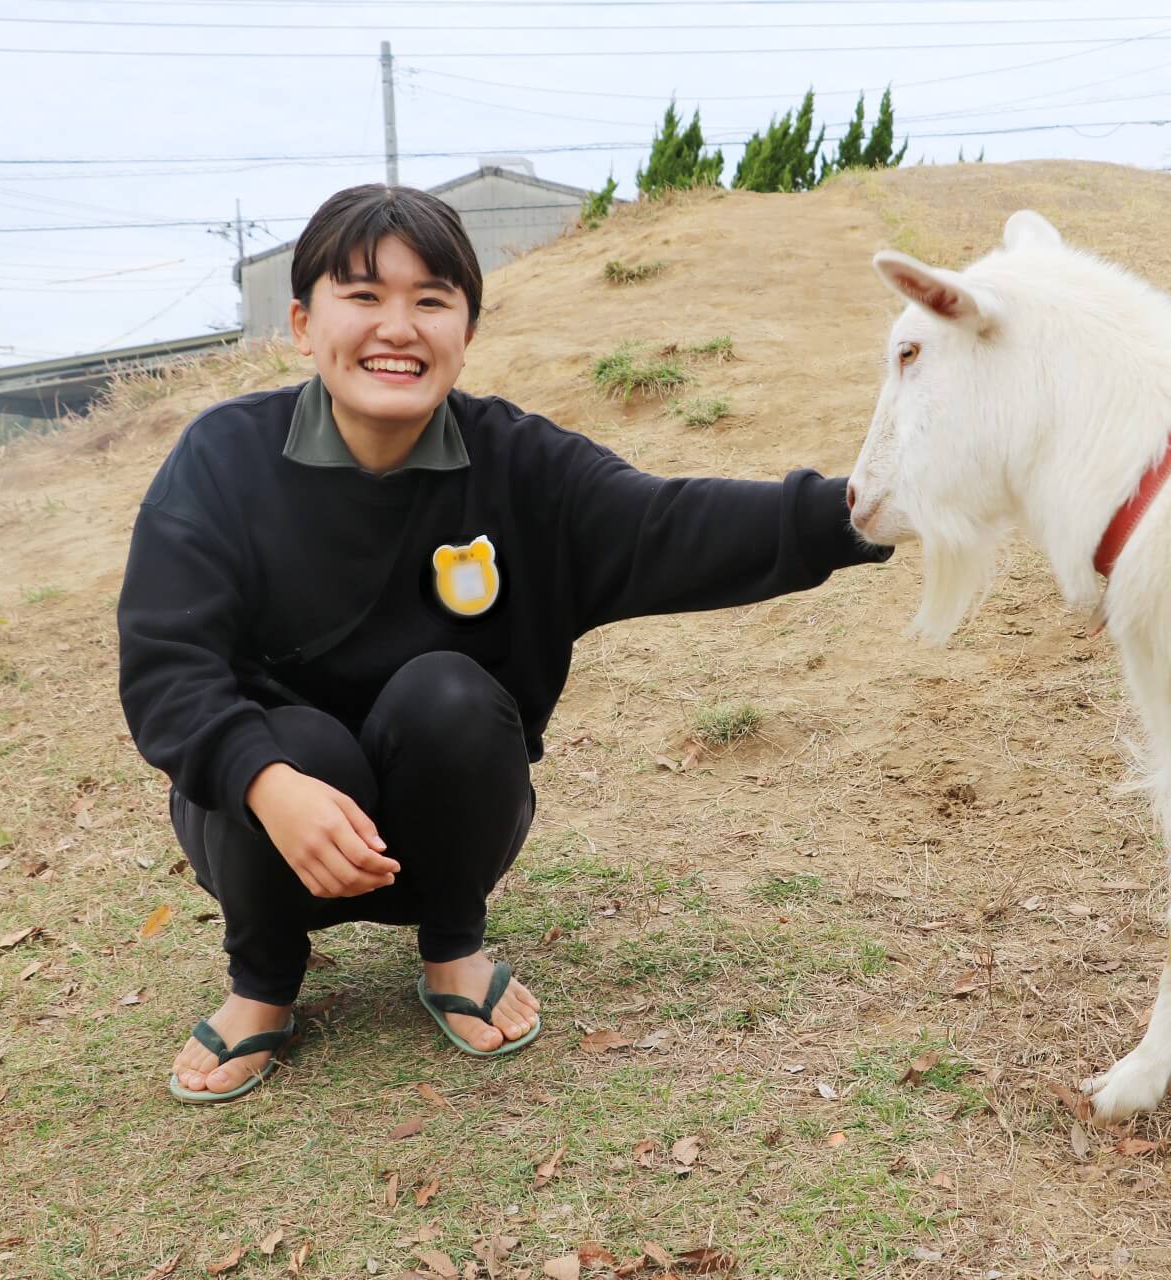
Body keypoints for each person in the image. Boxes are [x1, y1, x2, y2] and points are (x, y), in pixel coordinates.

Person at [116, 183, 890, 1103]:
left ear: (467, 329)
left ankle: (453, 948)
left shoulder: (519, 465)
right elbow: (168, 667)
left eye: (431, 299)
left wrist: (869, 508)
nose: (396, 327)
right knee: (295, 740)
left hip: (451, 823)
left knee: (450, 689)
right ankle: (264, 981)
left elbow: (668, 525)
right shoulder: (222, 458)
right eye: (362, 297)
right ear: (301, 321)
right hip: (263, 833)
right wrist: (267, 784)